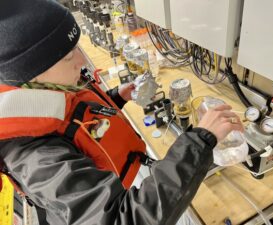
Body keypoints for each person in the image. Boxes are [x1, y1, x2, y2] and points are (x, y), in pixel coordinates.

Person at [0, 0, 244, 224]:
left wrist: (117, 97)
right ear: (31, 74)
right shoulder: (35, 158)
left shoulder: (42, 92)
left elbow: (77, 119)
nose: (82, 62)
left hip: (125, 178)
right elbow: (123, 218)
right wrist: (200, 141)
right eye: (67, 57)